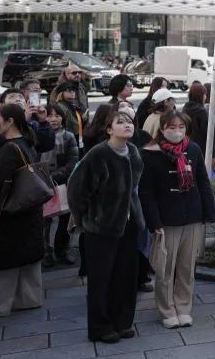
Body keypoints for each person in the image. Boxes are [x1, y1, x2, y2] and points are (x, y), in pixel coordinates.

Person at [67, 110, 146, 344]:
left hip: (129, 223)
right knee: (101, 279)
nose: (127, 125)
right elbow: (76, 191)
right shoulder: (98, 154)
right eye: (120, 122)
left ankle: (122, 322)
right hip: (101, 227)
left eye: (129, 121)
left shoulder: (133, 152)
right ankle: (101, 327)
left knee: (126, 276)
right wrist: (87, 219)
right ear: (109, 129)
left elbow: (133, 189)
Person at [139, 111, 215, 329]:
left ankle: (183, 307)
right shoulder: (149, 154)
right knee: (165, 268)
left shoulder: (193, 149)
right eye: (171, 127)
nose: (177, 131)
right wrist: (154, 221)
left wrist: (209, 212)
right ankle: (166, 310)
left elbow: (203, 181)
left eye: (181, 126)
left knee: (186, 267)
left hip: (192, 215)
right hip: (166, 219)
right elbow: (146, 193)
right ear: (162, 128)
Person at [0, 104, 45, 318]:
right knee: (29, 257)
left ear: (9, 122)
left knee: (5, 259)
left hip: (10, 212)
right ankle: (29, 299)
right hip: (30, 209)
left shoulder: (8, 149)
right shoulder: (27, 143)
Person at [40, 104, 80, 268]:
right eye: (50, 115)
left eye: (57, 115)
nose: (54, 119)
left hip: (62, 182)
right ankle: (46, 252)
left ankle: (62, 250)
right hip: (41, 183)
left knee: (65, 219)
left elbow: (72, 161)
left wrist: (55, 176)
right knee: (45, 221)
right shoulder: (38, 135)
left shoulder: (68, 136)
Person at [52, 81, 85, 147]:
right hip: (67, 140)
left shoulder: (72, 105)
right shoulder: (61, 106)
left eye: (73, 90)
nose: (72, 92)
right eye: (69, 90)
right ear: (61, 93)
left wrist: (82, 119)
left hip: (77, 137)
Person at [181, 83, 209, 157]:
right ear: (200, 96)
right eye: (204, 94)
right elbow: (207, 133)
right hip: (201, 148)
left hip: (186, 145)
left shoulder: (185, 108)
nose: (205, 97)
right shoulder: (202, 111)